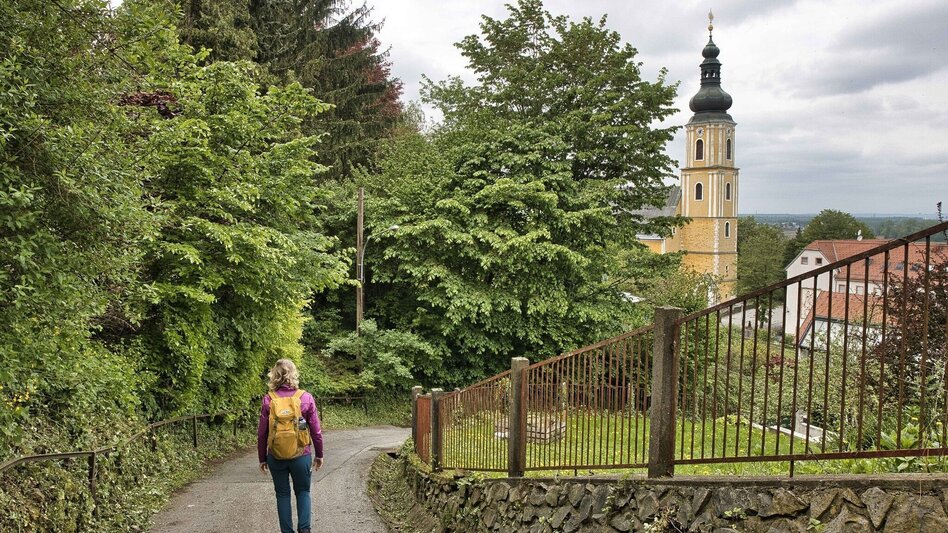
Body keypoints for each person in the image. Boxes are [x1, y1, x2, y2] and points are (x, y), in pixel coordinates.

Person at [257, 359, 324, 533]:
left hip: (275, 455)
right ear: (293, 374)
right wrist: (319, 455)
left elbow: (262, 433)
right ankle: (304, 529)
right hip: (301, 454)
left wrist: (262, 458)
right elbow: (316, 431)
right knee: (303, 492)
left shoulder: (268, 399)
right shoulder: (305, 398)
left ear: (275, 375)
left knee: (282, 494)